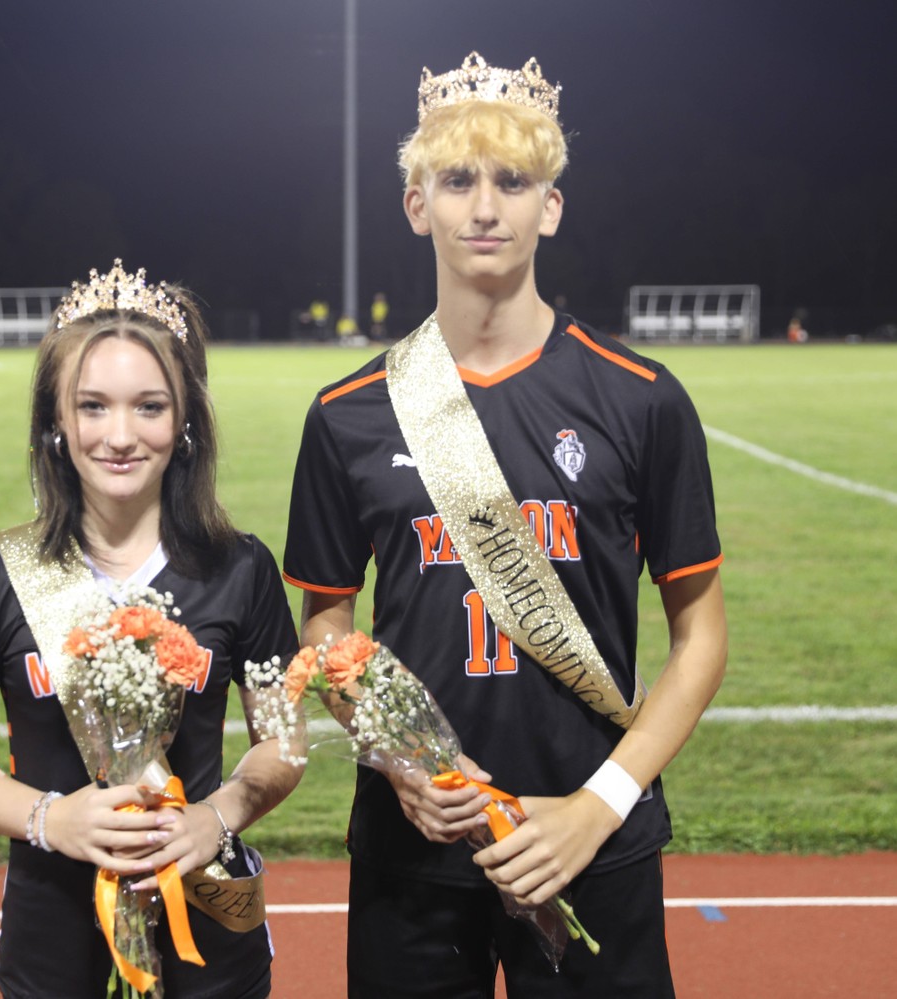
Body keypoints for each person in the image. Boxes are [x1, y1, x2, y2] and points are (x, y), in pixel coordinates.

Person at [283, 52, 727, 997]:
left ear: (549, 207)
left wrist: (597, 806)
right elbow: (327, 629)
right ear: (417, 204)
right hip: (416, 847)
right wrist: (399, 760)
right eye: (457, 180)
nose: (485, 206)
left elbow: (701, 637)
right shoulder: (347, 414)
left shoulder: (643, 400)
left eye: (512, 181)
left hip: (593, 841)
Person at [0, 260, 303, 999]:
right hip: (51, 933)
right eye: (92, 406)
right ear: (56, 421)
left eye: (149, 406)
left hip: (206, 935)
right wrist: (51, 818)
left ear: (185, 417)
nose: (119, 435)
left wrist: (213, 819)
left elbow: (282, 744)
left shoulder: (241, 568)